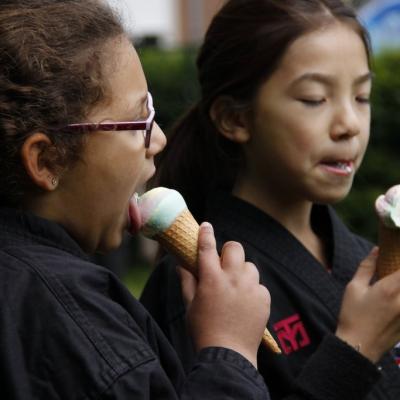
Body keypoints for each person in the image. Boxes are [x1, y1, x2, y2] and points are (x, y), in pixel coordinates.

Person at [0, 1, 274, 398]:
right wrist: (229, 350)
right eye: (138, 121)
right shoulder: (79, 320)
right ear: (47, 159)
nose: (159, 139)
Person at [140, 0, 400, 399]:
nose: (350, 124)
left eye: (362, 97)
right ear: (235, 118)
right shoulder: (200, 285)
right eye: (315, 98)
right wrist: (356, 346)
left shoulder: (363, 258)